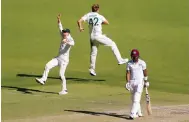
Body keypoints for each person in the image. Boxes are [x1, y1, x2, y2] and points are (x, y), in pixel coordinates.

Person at [77, 4, 128, 76]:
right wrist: (99, 22)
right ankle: (120, 59)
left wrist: (80, 27)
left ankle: (92, 69)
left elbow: (79, 21)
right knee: (112, 44)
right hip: (98, 36)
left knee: (93, 53)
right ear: (98, 9)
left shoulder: (88, 15)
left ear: (92, 9)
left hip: (92, 38)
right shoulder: (99, 16)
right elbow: (107, 22)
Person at [35, 14, 75, 95]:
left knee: (61, 75)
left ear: (68, 33)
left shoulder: (70, 39)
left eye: (65, 33)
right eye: (63, 33)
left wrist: (66, 42)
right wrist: (59, 20)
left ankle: (65, 90)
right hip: (58, 58)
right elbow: (60, 27)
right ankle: (43, 79)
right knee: (47, 66)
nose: (63, 34)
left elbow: (73, 43)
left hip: (64, 60)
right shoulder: (63, 35)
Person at [125, 49, 150, 119]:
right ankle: (139, 112)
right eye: (133, 56)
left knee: (136, 99)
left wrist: (146, 81)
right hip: (132, 82)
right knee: (133, 99)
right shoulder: (129, 63)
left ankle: (132, 114)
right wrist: (128, 82)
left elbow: (145, 72)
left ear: (138, 56)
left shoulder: (142, 63)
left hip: (140, 82)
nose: (134, 57)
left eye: (135, 56)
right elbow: (128, 73)